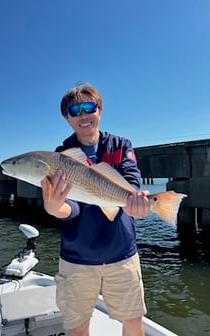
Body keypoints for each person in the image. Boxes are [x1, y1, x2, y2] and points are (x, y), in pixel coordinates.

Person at [41, 81, 150, 336]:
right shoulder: (61, 156)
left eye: (89, 107)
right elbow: (71, 208)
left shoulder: (121, 145)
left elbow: (132, 184)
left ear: (99, 110)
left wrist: (138, 204)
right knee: (77, 328)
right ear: (67, 118)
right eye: (74, 111)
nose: (83, 115)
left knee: (133, 324)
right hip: (77, 258)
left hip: (122, 253)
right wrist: (56, 208)